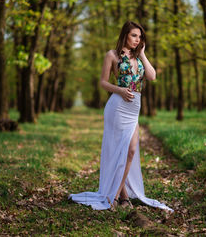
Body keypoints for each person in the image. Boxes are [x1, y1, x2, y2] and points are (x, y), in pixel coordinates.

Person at [69, 21, 173, 212]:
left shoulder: (138, 57)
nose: (137, 39)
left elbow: (152, 76)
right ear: (125, 34)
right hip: (117, 107)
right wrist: (120, 90)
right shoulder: (112, 55)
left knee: (131, 151)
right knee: (120, 151)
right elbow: (102, 82)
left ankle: (119, 196)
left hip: (134, 110)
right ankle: (117, 197)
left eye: (140, 36)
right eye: (134, 35)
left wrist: (142, 53)